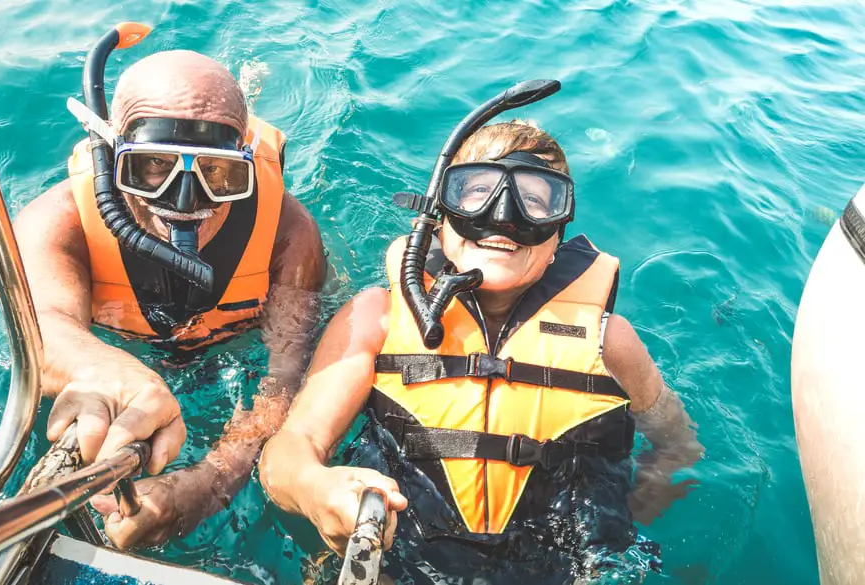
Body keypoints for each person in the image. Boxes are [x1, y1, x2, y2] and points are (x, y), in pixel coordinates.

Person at [259, 82, 703, 582]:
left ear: (558, 234)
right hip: (403, 562)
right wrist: (317, 489)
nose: (503, 217)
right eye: (475, 192)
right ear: (440, 217)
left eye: (536, 202)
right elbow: (287, 451)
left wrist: (625, 524)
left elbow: (677, 444)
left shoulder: (609, 342)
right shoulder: (376, 318)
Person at [14, 30, 325, 549]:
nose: (185, 199)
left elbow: (285, 376)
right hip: (132, 354)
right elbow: (38, 326)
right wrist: (102, 368)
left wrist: (212, 482)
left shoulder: (288, 233)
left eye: (218, 173)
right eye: (153, 165)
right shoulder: (58, 223)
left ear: (245, 164)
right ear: (111, 155)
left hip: (229, 348)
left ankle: (247, 86)